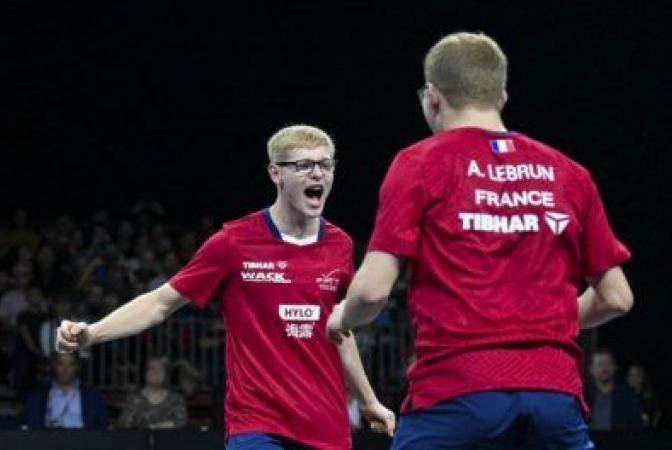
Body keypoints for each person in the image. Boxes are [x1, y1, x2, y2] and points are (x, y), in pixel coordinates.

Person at [327, 32, 633, 449]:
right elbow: (616, 297)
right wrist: (538, 322)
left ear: (432, 97)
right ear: (502, 95)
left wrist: (343, 318)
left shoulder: (420, 163)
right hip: (555, 399)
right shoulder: (568, 172)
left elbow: (375, 289)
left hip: (457, 396)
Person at [56, 125, 394, 449]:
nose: (318, 174)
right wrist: (93, 333)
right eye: (304, 165)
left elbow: (340, 329)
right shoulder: (233, 242)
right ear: (276, 173)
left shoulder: (340, 244)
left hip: (324, 422)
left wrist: (368, 400)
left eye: (325, 164)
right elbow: (160, 303)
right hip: (257, 423)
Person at [24, 352, 108, 429]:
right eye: (60, 364)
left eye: (70, 364)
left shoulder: (92, 396)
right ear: (54, 365)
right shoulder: (37, 397)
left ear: (77, 367)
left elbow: (103, 426)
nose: (65, 370)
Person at [118, 355, 187, 429]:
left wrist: (156, 427)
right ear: (145, 373)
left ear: (166, 375)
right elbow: (123, 424)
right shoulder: (133, 398)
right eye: (152, 368)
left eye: (161, 369)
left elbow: (180, 422)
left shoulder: (176, 398)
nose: (156, 372)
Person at [584, 349, 643, 431]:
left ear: (615, 367)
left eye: (607, 363)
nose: (604, 368)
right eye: (599, 364)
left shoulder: (628, 397)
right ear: (591, 369)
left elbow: (636, 427)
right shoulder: (583, 396)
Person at [626, 363, 661, 427]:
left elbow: (657, 413)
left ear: (642, 377)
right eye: (630, 375)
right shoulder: (622, 396)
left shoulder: (649, 396)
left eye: (636, 375)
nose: (632, 378)